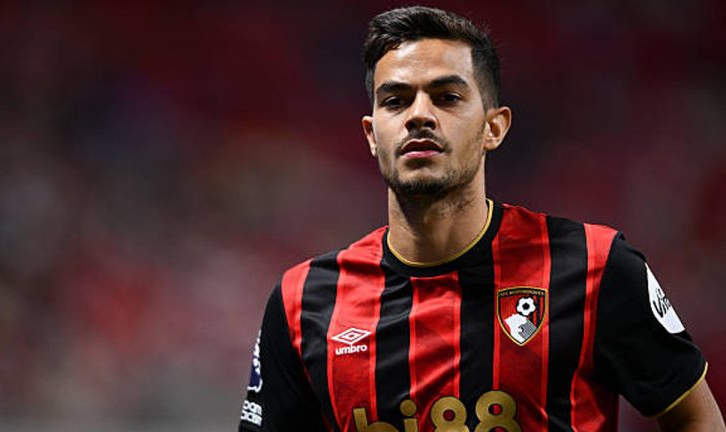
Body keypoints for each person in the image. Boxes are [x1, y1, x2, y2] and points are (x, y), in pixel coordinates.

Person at [238, 6, 725, 432]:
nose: (419, 115)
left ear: (494, 127)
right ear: (371, 134)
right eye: (396, 100)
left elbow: (694, 418)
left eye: (447, 97)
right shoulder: (303, 302)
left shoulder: (596, 267)